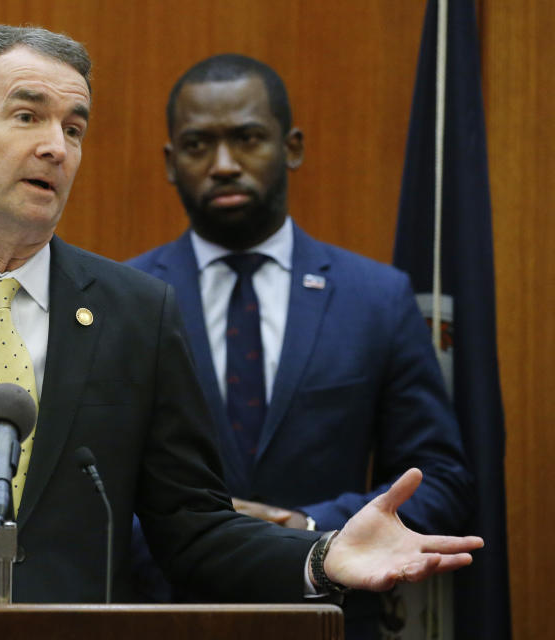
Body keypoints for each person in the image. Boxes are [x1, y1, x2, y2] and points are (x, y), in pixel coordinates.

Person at [0, 27, 482, 632]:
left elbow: (192, 528)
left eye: (75, 128)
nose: (56, 146)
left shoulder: (137, 312)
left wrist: (320, 555)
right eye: (28, 115)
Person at [127, 54, 474, 638]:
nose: (224, 165)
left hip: (332, 618)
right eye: (197, 145)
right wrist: (199, 541)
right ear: (169, 162)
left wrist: (312, 528)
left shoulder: (376, 298)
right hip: (168, 615)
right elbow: (88, 497)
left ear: (291, 147)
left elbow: (440, 477)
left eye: (248, 138)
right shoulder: (124, 299)